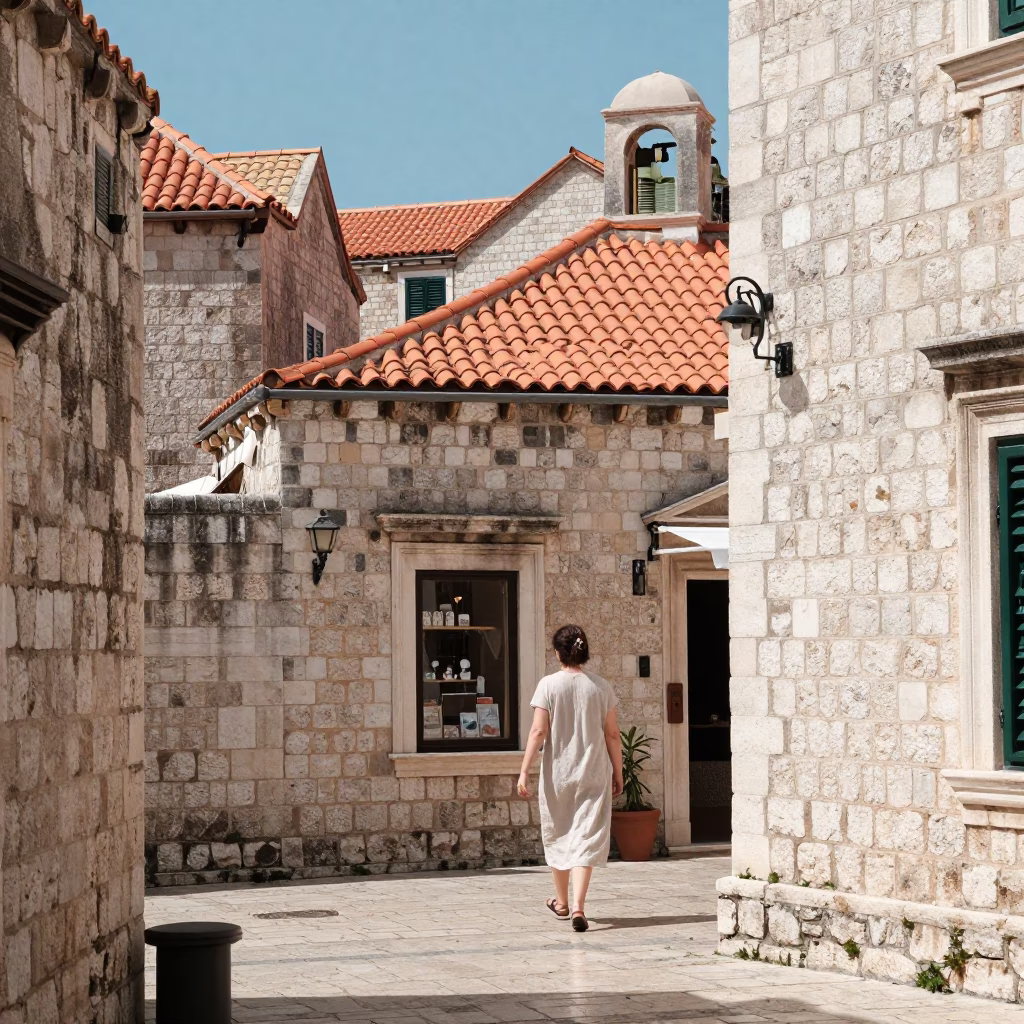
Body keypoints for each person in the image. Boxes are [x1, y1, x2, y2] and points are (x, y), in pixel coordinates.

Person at [517, 624, 623, 932]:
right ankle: (578, 906)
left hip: (558, 775)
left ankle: (562, 902)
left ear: (557, 653)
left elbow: (538, 732)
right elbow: (613, 734)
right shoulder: (601, 687)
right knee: (586, 837)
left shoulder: (548, 686)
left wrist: (524, 770)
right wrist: (619, 772)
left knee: (560, 832)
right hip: (593, 772)